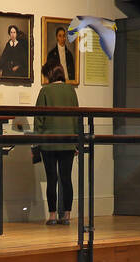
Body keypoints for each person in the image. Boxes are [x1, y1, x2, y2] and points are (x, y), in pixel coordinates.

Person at [33, 65, 79, 226]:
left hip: (49, 143)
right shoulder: (71, 91)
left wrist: (36, 142)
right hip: (68, 142)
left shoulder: (45, 91)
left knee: (52, 179)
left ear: (50, 76)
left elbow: (39, 119)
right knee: (66, 179)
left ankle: (52, 215)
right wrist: (77, 142)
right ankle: (67, 215)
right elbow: (77, 116)